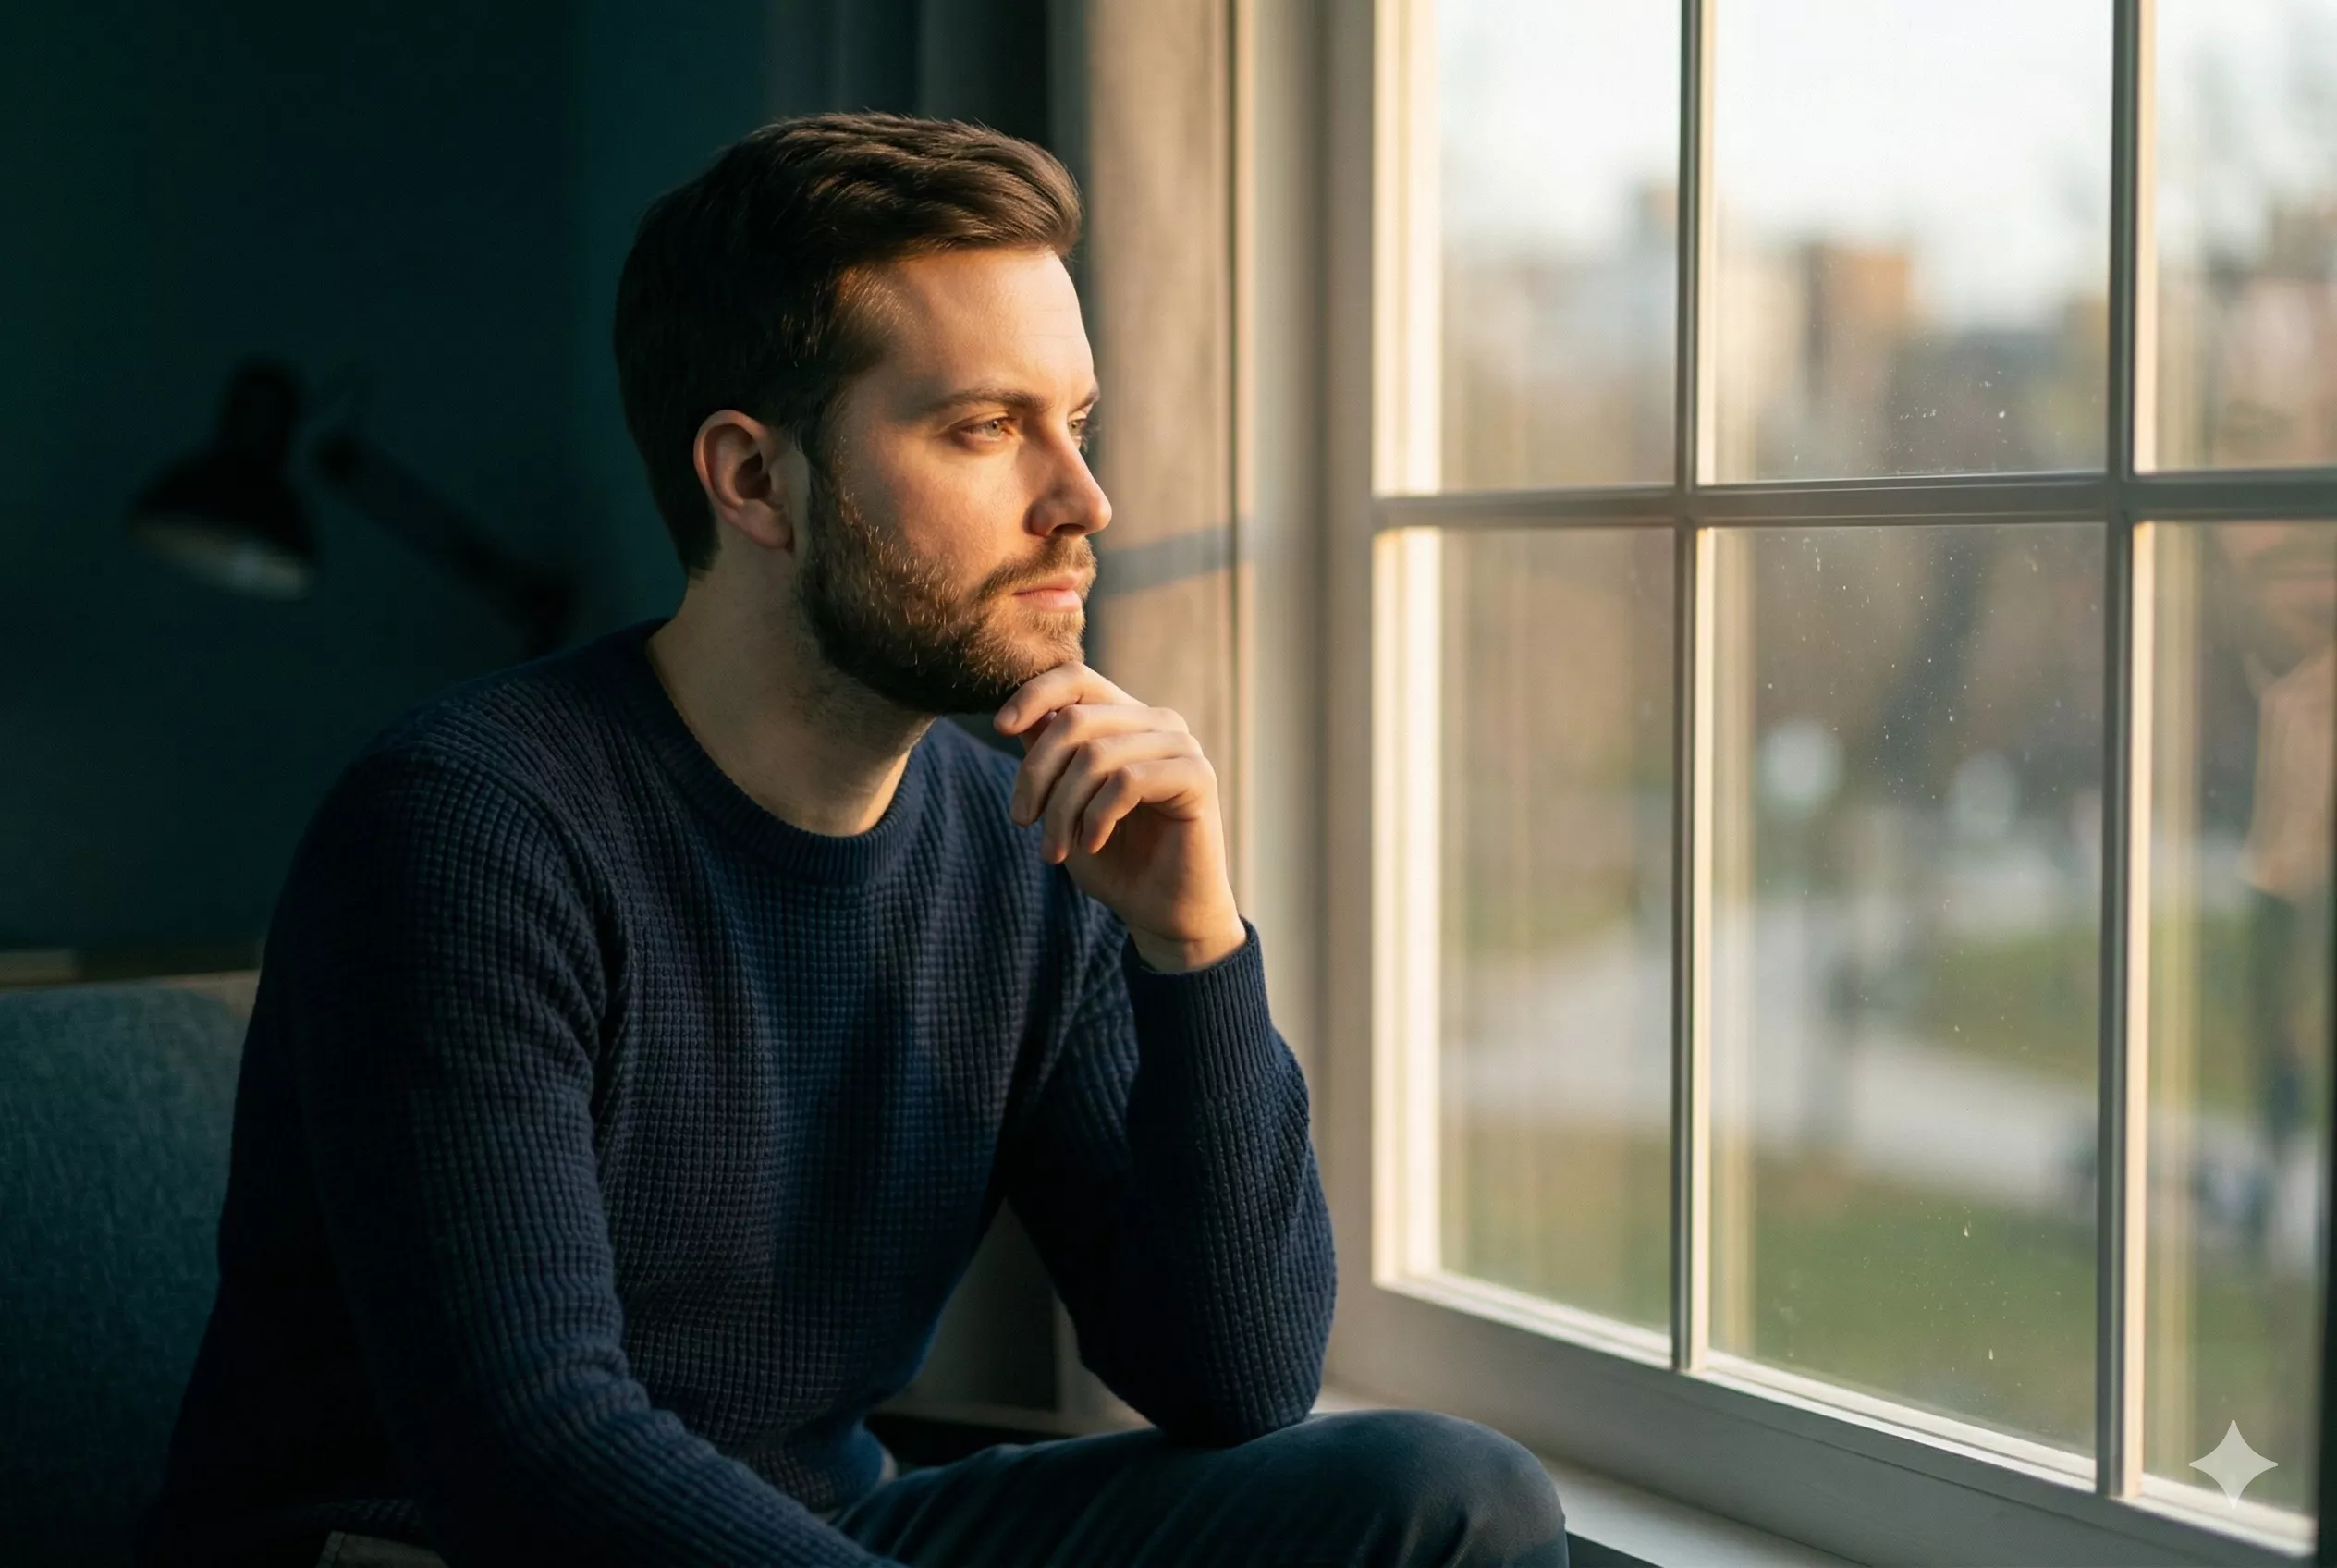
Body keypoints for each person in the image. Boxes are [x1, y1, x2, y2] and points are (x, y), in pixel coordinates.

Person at [139, 113, 1567, 1567]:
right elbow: (537, 1449)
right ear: (754, 481)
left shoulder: (1030, 848)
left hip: (829, 1532)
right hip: (432, 1552)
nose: (1084, 503)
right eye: (983, 428)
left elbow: (1236, 1379)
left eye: (1077, 424)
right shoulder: (465, 828)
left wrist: (1189, 948)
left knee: (1447, 1498)